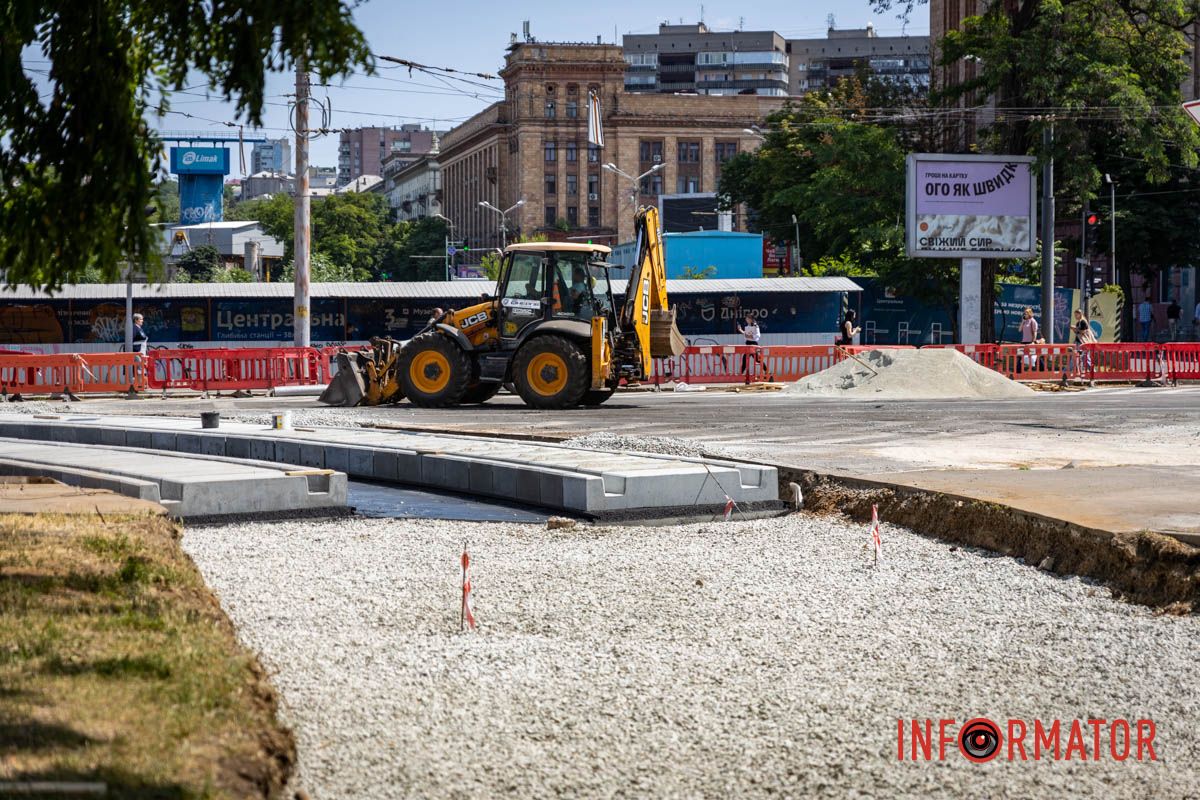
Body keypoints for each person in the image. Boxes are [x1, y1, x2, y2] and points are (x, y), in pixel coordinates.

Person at [737, 313, 763, 384]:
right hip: (748, 343)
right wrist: (740, 330)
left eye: (748, 318)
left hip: (753, 344)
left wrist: (750, 336)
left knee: (757, 359)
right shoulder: (748, 326)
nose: (746, 319)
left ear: (751, 319)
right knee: (745, 359)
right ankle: (741, 374)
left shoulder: (755, 326)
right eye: (746, 318)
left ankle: (766, 371)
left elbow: (757, 335)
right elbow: (746, 335)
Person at [1072, 308, 1096, 380]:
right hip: (1079, 341)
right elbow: (1078, 333)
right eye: (1075, 314)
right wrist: (1074, 329)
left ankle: (1093, 371)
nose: (1076, 316)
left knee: (1085, 357)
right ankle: (1076, 370)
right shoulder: (1078, 323)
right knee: (1077, 357)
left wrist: (1075, 328)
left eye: (1077, 314)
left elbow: (1083, 332)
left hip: (1084, 342)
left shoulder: (1083, 322)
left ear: (1080, 314)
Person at [1018, 307, 1039, 372]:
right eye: (1024, 313)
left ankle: (1019, 370)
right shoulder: (1025, 321)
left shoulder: (1033, 321)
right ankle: (1019, 370)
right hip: (1024, 341)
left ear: (1029, 314)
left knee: (1032, 357)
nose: (1025, 315)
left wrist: (1033, 341)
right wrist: (1022, 321)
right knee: (1020, 356)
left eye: (1026, 313)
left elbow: (1035, 332)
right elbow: (1019, 330)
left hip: (1030, 342)